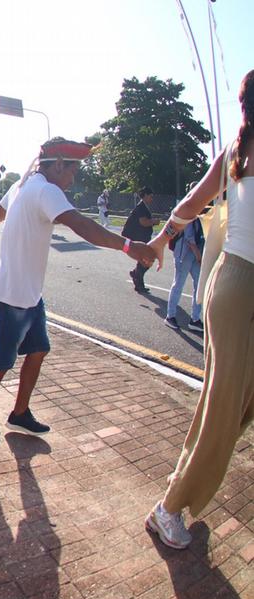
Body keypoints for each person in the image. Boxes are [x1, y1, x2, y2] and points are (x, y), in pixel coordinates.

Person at [0, 138, 156, 439]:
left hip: (27, 293)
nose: (73, 178)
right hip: (12, 295)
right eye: (72, 170)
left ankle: (20, 412)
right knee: (2, 361)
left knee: (39, 349)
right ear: (60, 164)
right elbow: (83, 227)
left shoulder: (23, 185)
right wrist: (130, 246)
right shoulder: (45, 190)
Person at [143, 69, 254, 550]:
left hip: (235, 284)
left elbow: (190, 203)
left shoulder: (234, 151)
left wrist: (161, 239)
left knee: (239, 403)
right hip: (239, 289)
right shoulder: (237, 151)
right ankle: (168, 507)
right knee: (222, 407)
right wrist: (158, 241)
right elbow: (193, 202)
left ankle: (186, 486)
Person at [164, 215, 204, 332]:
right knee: (179, 284)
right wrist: (198, 254)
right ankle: (170, 316)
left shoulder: (202, 211)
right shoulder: (189, 209)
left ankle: (195, 319)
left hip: (196, 252)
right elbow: (189, 236)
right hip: (184, 253)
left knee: (198, 284)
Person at [122, 186, 160, 293]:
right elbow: (143, 222)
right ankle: (138, 281)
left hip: (140, 238)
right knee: (147, 259)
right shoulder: (141, 208)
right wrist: (154, 221)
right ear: (145, 195)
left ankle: (136, 276)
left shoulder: (143, 206)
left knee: (145, 260)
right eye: (151, 196)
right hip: (138, 239)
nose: (152, 199)